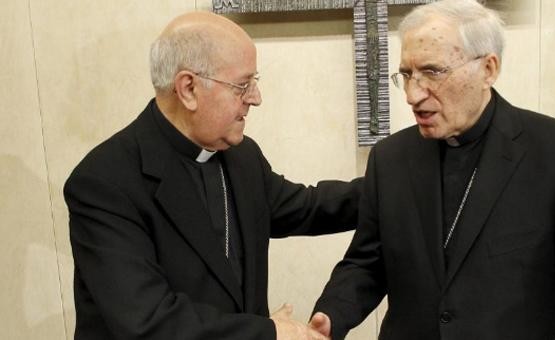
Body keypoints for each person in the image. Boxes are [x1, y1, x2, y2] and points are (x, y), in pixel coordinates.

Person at [310, 0, 555, 339]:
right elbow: (368, 262)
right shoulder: (390, 158)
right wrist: (332, 314)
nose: (412, 94)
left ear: (488, 69)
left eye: (432, 72)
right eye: (407, 75)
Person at [64, 11, 361, 340]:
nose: (256, 98)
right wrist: (270, 333)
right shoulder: (104, 183)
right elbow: (149, 323)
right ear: (188, 88)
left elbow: (308, 207)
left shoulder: (240, 156)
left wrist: (389, 184)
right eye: (242, 85)